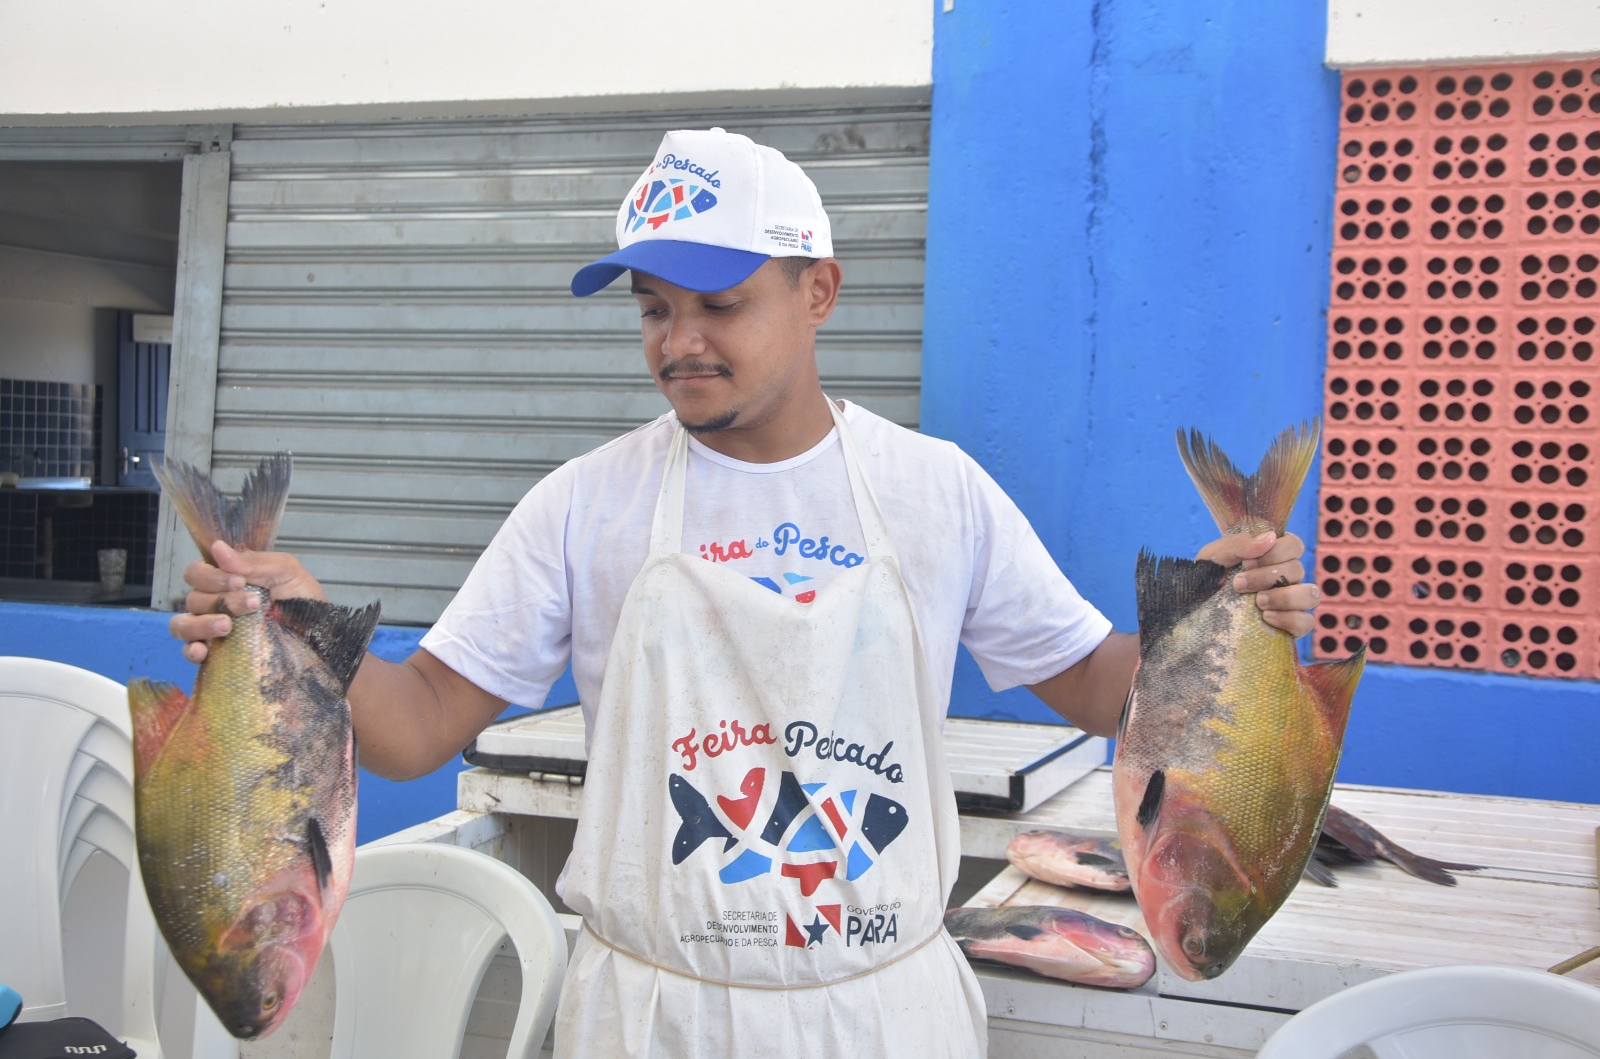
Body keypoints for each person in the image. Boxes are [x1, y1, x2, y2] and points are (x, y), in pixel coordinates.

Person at [171, 128, 1318, 1057]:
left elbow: (1094, 684)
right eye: (654, 308)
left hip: (879, 1014)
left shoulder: (933, 491)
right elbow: (416, 724)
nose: (680, 340)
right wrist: (293, 633)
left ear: (818, 290)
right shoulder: (585, 503)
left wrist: (1207, 623)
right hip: (650, 1017)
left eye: (719, 303)